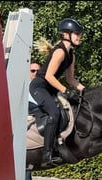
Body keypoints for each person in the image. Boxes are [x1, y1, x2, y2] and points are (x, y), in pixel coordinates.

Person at [30, 18, 85, 167]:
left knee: (67, 111)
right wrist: (65, 91)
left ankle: (59, 144)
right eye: (76, 33)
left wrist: (85, 91)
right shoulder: (60, 52)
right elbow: (48, 76)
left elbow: (71, 79)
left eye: (80, 34)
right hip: (39, 87)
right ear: (66, 34)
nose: (79, 36)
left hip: (51, 88)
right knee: (54, 113)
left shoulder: (71, 54)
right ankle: (47, 155)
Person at [25, 60, 41, 180]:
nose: (35, 73)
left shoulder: (43, 86)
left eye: (37, 71)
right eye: (32, 71)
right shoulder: (24, 86)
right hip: (27, 119)